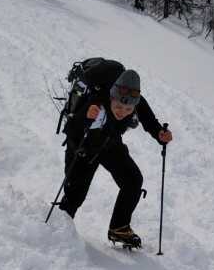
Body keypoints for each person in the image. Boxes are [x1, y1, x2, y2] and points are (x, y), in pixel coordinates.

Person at [59, 62, 172, 248]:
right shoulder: (96, 100)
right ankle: (58, 229)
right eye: (119, 107)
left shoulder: (135, 102)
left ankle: (119, 228)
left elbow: (149, 120)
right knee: (75, 194)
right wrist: (86, 117)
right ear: (111, 97)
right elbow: (71, 128)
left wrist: (160, 133)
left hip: (109, 143)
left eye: (128, 110)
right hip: (83, 147)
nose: (122, 112)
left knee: (132, 180)